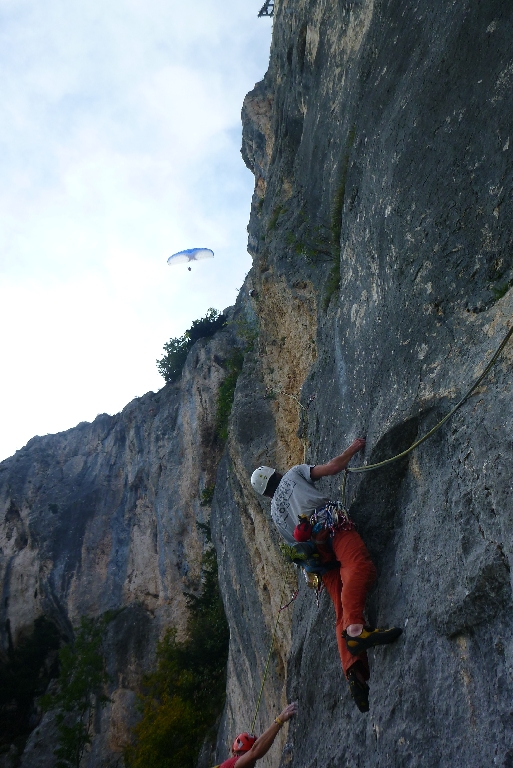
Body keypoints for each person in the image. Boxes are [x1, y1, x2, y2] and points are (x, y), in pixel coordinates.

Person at [251, 439, 402, 713]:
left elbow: (295, 544)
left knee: (339, 608)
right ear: (275, 474)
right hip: (330, 528)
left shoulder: (275, 513)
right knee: (359, 566)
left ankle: (352, 671)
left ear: (265, 494)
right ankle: (356, 630)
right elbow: (333, 467)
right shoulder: (295, 473)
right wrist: (353, 449)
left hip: (316, 558)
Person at [217, 702, 298, 767]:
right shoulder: (231, 765)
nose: (252, 763)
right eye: (246, 754)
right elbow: (254, 752)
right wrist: (280, 720)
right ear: (236, 754)